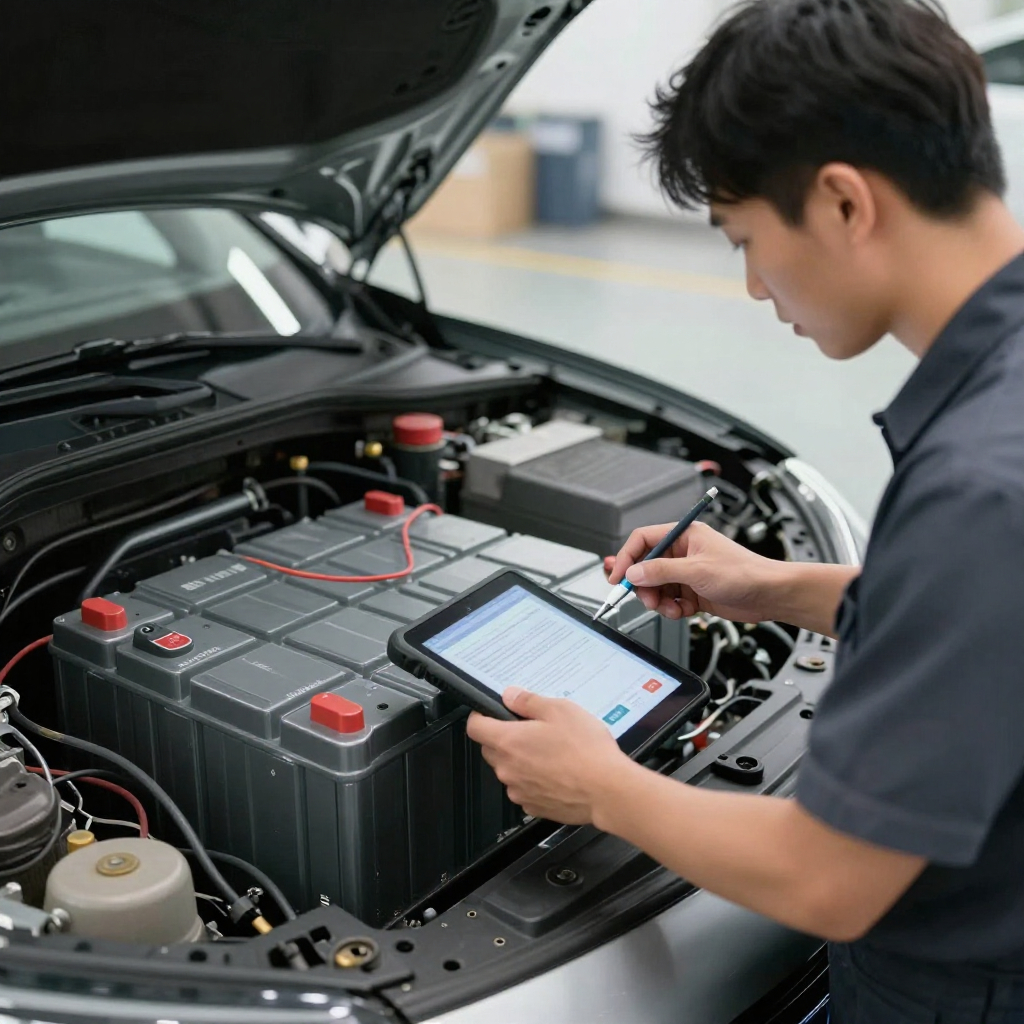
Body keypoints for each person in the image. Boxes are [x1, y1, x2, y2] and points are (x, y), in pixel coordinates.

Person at [465, 1, 1024, 1020]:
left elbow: (829, 881)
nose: (759, 287)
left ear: (844, 203)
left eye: (746, 238)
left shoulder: (977, 482)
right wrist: (774, 588)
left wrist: (602, 787)